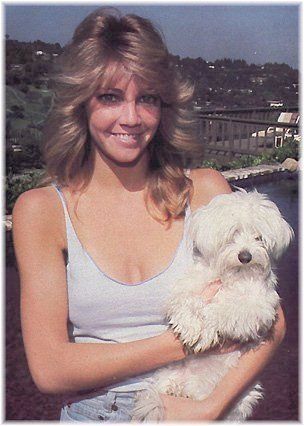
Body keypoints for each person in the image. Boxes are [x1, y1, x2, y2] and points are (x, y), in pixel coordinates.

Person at [12, 7, 286, 422]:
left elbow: (273, 322)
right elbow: (50, 370)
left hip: (201, 408)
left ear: (165, 107)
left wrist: (211, 408)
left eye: (147, 99)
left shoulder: (205, 192)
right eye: (110, 97)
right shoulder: (42, 212)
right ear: (80, 104)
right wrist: (191, 341)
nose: (132, 118)